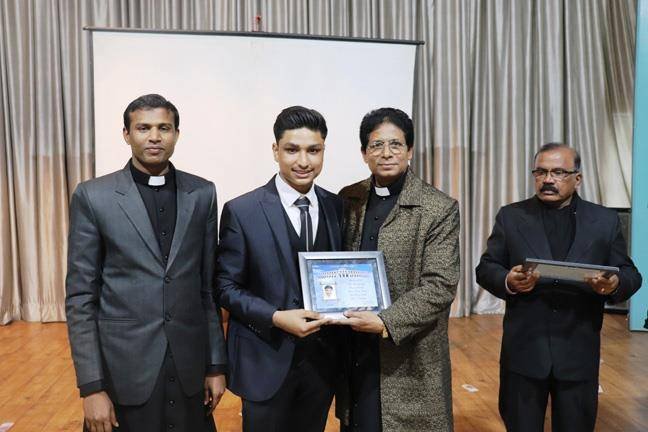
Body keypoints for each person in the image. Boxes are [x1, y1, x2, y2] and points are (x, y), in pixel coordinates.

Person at [65, 94, 227, 432]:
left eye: (164, 128)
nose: (154, 137)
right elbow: (81, 298)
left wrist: (215, 365)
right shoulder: (93, 196)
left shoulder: (202, 194)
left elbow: (206, 289)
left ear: (176, 134)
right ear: (126, 134)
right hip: (124, 369)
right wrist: (91, 387)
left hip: (188, 367)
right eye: (143, 128)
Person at [475, 143, 642, 432]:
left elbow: (630, 274)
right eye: (540, 172)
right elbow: (487, 268)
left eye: (558, 172)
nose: (548, 179)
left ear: (577, 178)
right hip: (525, 351)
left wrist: (613, 284)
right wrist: (508, 280)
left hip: (578, 351)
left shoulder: (604, 221)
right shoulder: (511, 216)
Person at [215, 106, 344, 432]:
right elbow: (225, 287)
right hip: (264, 359)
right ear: (276, 151)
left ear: (324, 151)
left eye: (313, 150)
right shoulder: (242, 210)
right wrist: (275, 317)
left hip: (322, 363)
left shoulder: (337, 207)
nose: (303, 161)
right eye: (292, 150)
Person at [337, 107, 460, 431]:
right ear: (364, 153)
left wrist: (385, 321)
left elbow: (440, 285)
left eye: (396, 144)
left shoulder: (438, 207)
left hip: (409, 349)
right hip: (355, 342)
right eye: (376, 145)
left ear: (410, 150)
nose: (386, 153)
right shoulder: (348, 198)